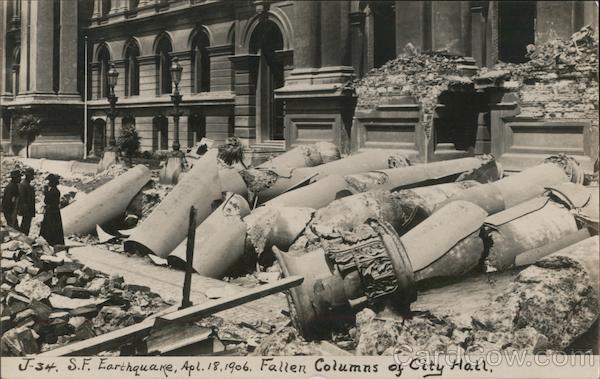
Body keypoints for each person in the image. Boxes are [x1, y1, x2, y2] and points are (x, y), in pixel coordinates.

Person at [39, 174, 64, 246]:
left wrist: (46, 192)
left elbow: (46, 201)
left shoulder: (52, 191)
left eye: (50, 181)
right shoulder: (56, 191)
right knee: (55, 229)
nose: (49, 183)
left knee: (49, 228)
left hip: (51, 212)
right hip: (55, 211)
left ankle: (49, 243)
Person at [18, 168, 36, 235]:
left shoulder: (27, 185)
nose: (32, 177)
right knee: (25, 226)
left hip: (28, 210)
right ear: (28, 176)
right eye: (32, 175)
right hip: (26, 210)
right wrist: (25, 209)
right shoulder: (23, 185)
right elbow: (22, 199)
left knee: (26, 226)